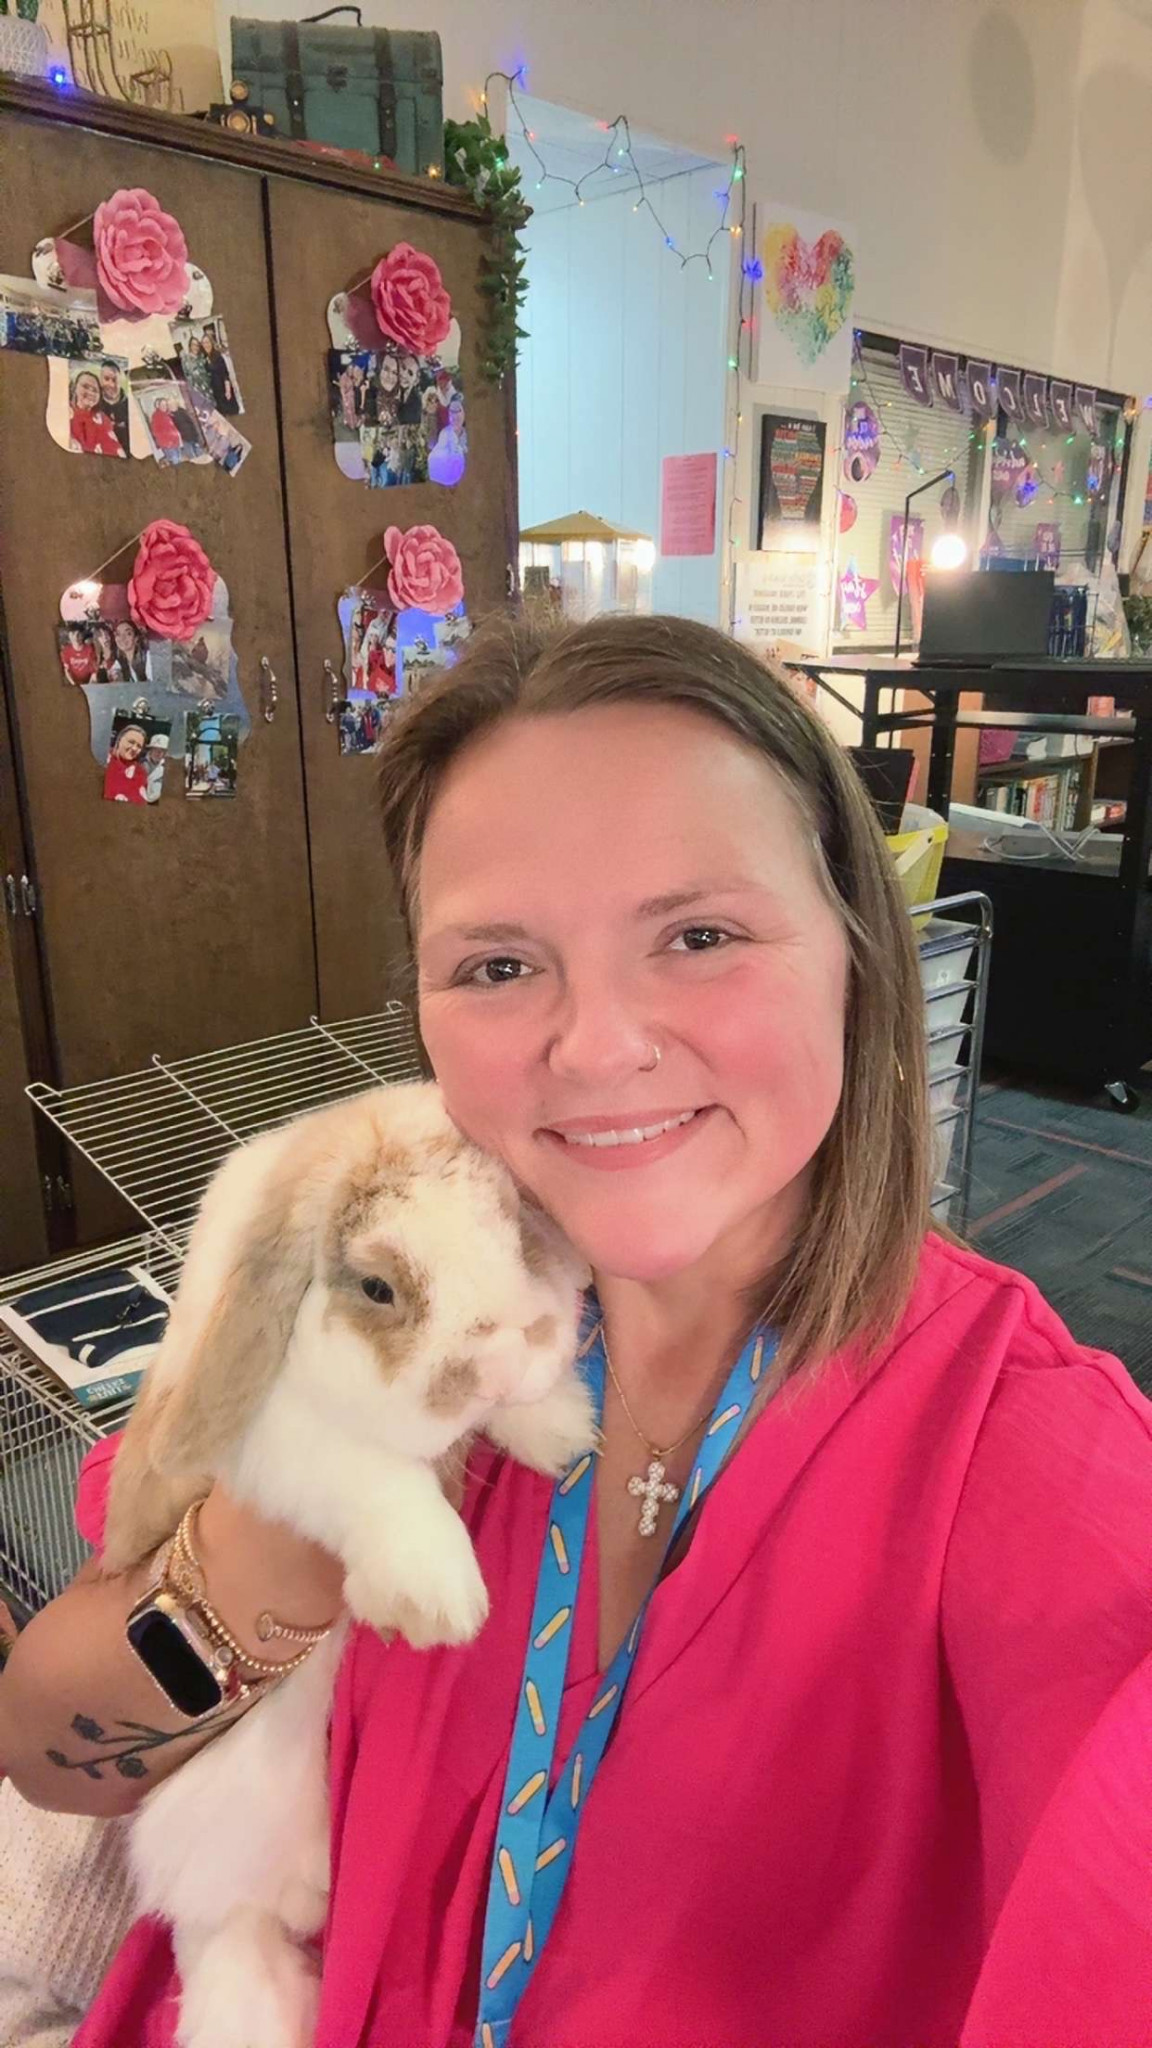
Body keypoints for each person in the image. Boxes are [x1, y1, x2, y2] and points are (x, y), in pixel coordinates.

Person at [3, 615, 1150, 2048]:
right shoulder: (385, 1271)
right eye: (498, 965)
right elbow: (50, 1751)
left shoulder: (1028, 1458)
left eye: (701, 936)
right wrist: (299, 1523)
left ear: (858, 954)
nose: (598, 1045)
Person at [68, 369, 124, 458]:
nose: (91, 393)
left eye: (95, 390)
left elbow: (115, 449)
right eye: (85, 387)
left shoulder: (102, 419)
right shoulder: (64, 412)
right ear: (74, 388)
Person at [102, 724, 150, 804]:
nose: (134, 748)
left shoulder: (140, 773)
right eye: (131, 742)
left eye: (139, 746)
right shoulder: (103, 760)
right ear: (119, 739)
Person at [199, 326, 239, 416]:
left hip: (223, 389)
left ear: (211, 343)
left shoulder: (218, 356)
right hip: (215, 392)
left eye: (207, 342)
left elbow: (225, 374)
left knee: (230, 411)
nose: (206, 345)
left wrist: (228, 390)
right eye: (204, 343)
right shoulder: (204, 358)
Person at [97, 361, 131, 455]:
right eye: (106, 379)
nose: (111, 384)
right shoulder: (94, 405)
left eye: (114, 379)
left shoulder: (130, 406)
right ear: (100, 380)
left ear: (121, 381)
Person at [147, 394, 183, 466]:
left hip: (175, 443)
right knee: (176, 464)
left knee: (179, 462)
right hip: (169, 446)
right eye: (162, 405)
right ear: (158, 406)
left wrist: (178, 439)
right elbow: (156, 432)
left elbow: (173, 428)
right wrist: (167, 442)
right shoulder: (156, 416)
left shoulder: (167, 414)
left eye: (166, 405)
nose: (164, 406)